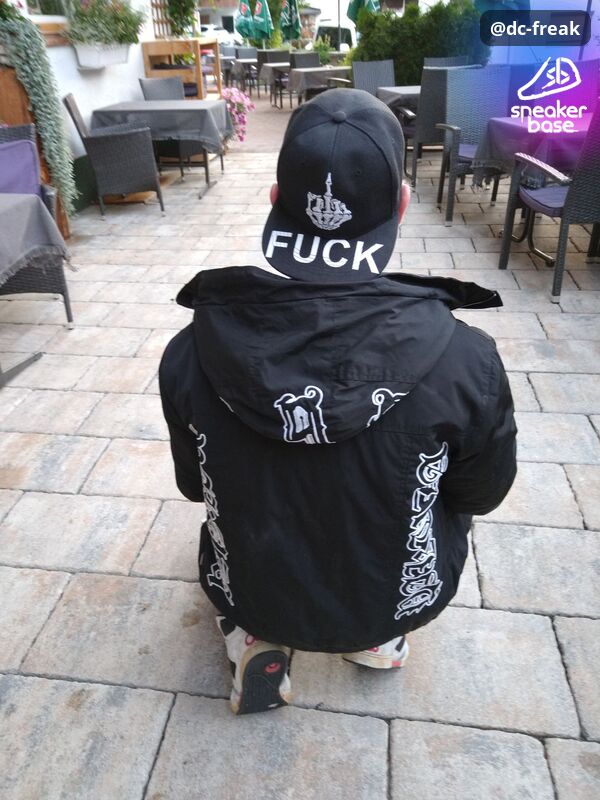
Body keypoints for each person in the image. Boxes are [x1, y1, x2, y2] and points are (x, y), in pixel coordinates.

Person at [159, 89, 517, 716]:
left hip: (251, 585)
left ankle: (255, 638)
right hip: (392, 594)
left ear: (276, 200)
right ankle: (376, 638)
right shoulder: (467, 359)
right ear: (400, 205)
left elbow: (194, 486)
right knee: (432, 490)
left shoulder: (192, 351)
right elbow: (480, 494)